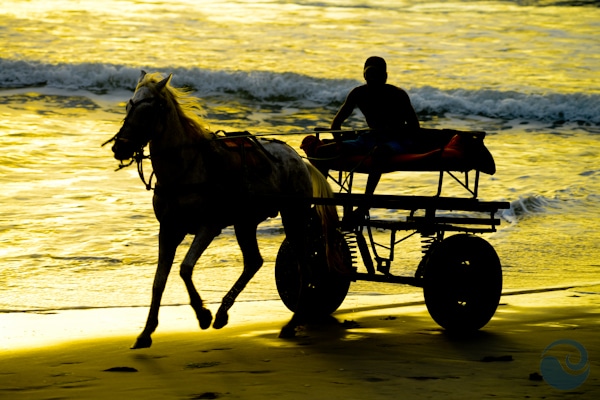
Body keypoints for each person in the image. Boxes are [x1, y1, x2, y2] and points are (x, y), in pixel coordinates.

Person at [330, 56, 420, 196]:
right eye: (368, 75)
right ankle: (318, 203)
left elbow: (415, 127)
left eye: (376, 75)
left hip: (397, 141)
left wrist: (395, 130)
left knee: (379, 152)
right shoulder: (358, 93)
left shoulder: (398, 95)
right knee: (323, 151)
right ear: (364, 75)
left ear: (385, 76)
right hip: (370, 139)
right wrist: (338, 142)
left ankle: (365, 204)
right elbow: (336, 124)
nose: (372, 79)